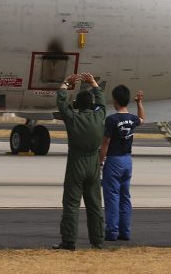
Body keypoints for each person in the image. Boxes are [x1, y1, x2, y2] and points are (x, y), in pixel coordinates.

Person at [54, 72, 107, 251]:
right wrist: (93, 82)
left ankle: (69, 241)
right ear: (91, 105)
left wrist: (65, 84)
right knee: (94, 204)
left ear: (77, 104)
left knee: (71, 203)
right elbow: (102, 102)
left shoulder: (73, 118)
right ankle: (97, 240)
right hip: (93, 163)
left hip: (76, 163)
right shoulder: (99, 116)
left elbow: (61, 103)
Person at [100, 85, 145, 241]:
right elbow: (142, 119)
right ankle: (125, 231)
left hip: (114, 160)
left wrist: (100, 161)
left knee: (112, 196)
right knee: (125, 196)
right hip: (127, 160)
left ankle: (112, 231)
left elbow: (105, 142)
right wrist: (139, 103)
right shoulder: (132, 118)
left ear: (115, 101)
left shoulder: (112, 119)